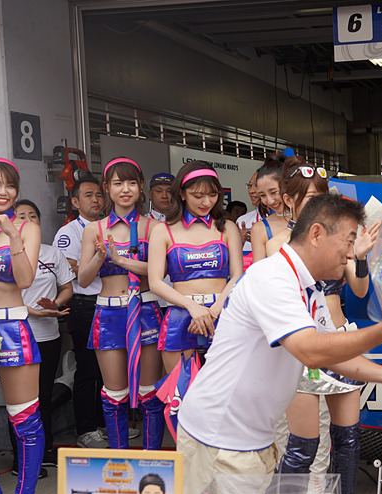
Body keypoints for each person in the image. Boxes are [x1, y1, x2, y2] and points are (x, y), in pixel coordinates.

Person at [176, 193, 382, 494]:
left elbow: (333, 355)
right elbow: (310, 351)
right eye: (348, 242)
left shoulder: (309, 287)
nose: (352, 255)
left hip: (251, 440)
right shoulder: (272, 278)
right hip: (220, 441)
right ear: (317, 234)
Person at [271, 157, 379, 494]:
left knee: (347, 442)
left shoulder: (337, 238)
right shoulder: (275, 246)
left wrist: (360, 257)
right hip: (302, 346)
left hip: (339, 339)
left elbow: (361, 290)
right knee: (302, 447)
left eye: (320, 195)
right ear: (289, 201)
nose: (314, 201)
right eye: (306, 197)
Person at [147, 160, 243, 439]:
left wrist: (214, 308)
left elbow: (237, 275)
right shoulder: (163, 230)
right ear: (182, 193)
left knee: (227, 399)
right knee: (180, 400)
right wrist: (192, 306)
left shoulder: (227, 227)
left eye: (212, 195)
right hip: (180, 318)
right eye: (198, 195)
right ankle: (190, 474)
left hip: (223, 316)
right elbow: (155, 281)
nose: (205, 201)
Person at [78, 157, 165, 451]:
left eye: (131, 182)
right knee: (114, 394)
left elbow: (159, 273)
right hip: (108, 312)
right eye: (117, 183)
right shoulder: (94, 230)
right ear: (107, 188)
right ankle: (120, 463)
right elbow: (83, 279)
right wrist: (101, 257)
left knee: (150, 394)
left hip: (145, 309)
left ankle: (153, 460)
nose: (125, 189)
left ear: (141, 187)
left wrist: (121, 259)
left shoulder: (153, 227)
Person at [0, 158, 45, 494]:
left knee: (25, 421)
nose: (3, 191)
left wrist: (13, 236)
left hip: (12, 326)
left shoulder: (27, 228)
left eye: (9, 185)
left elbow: (25, 278)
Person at [15, 200, 74, 469]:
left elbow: (67, 288)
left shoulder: (53, 254)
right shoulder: (5, 253)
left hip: (49, 334)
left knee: (43, 395)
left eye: (32, 216)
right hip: (17, 333)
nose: (27, 221)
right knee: (20, 401)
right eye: (21, 216)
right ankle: (21, 459)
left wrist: (57, 304)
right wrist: (31, 312)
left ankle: (45, 449)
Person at [53, 176, 109, 448]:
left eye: (98, 195)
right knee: (87, 369)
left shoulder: (109, 227)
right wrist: (101, 263)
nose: (95, 200)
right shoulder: (69, 232)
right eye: (88, 195)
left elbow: (84, 266)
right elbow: (73, 270)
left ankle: (101, 424)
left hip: (109, 303)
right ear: (74, 202)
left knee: (105, 370)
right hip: (84, 305)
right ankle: (86, 430)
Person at [250, 156, 289, 262]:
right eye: (262, 195)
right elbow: (259, 273)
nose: (270, 201)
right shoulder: (260, 229)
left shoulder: (310, 218)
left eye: (273, 192)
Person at [237, 171, 263, 254]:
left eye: (256, 186)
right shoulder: (242, 221)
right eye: (249, 186)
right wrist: (239, 242)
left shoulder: (288, 219)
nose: (251, 191)